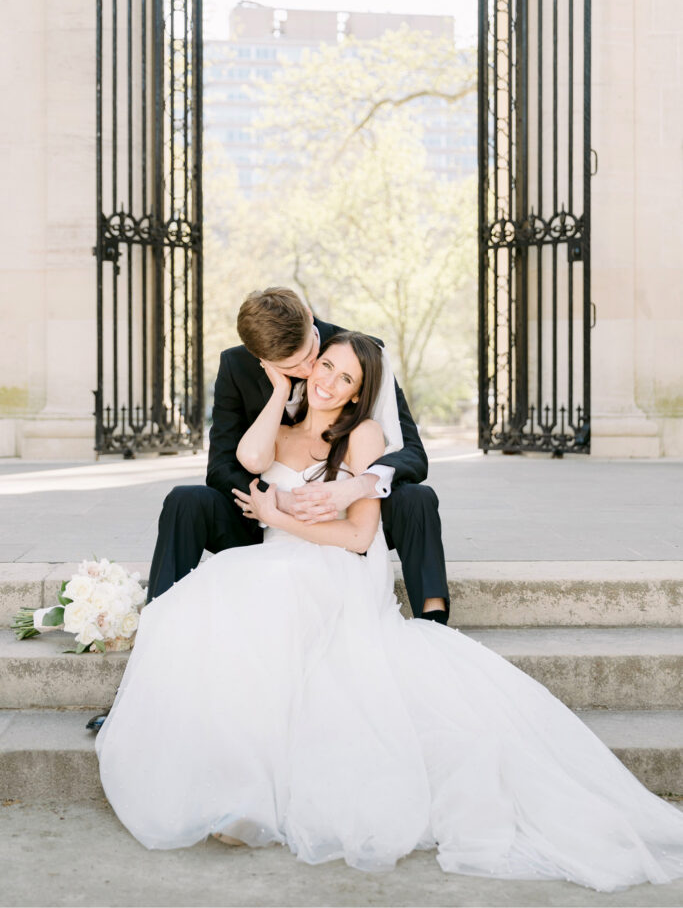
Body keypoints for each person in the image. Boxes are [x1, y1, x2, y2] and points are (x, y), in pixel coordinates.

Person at [97, 331, 683, 890]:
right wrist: (281, 390)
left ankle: (256, 791)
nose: (326, 379)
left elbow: (357, 540)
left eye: (343, 376)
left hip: (329, 567)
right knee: (205, 605)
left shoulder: (365, 437)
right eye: (324, 366)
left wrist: (289, 514)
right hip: (274, 559)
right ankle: (232, 780)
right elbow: (244, 456)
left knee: (270, 609)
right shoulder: (280, 424)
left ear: (359, 391)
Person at [146, 287, 449, 624]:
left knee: (417, 498)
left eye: (311, 355)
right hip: (261, 520)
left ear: (308, 315)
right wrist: (280, 503)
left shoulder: (355, 351)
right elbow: (221, 467)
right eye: (291, 366)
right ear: (261, 359)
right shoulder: (235, 365)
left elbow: (413, 454)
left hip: (344, 518)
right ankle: (158, 618)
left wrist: (359, 486)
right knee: (185, 501)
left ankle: (432, 618)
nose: (309, 370)